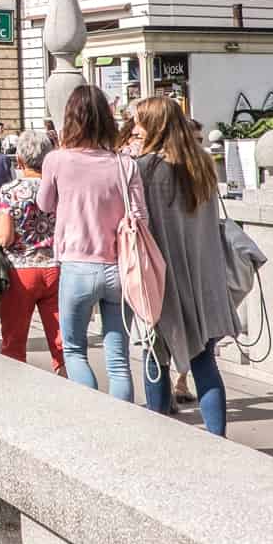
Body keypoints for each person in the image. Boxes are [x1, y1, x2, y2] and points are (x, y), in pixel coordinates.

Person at [132, 97, 235, 436]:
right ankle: (217, 437)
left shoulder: (144, 168)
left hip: (160, 273)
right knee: (205, 359)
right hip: (204, 271)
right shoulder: (203, 163)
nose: (134, 127)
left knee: (155, 356)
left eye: (139, 121)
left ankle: (160, 432)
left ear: (153, 125)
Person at [37, 85, 141, 401]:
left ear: (70, 119)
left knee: (74, 349)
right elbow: (140, 216)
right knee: (119, 360)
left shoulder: (57, 160)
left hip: (77, 265)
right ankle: (124, 422)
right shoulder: (125, 164)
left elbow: (44, 204)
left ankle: (93, 418)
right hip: (118, 267)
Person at [0, 135, 63, 371]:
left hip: (20, 271)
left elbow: (4, 237)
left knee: (14, 341)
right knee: (62, 343)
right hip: (56, 268)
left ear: (19, 160)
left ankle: (17, 391)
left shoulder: (10, 191)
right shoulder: (60, 187)